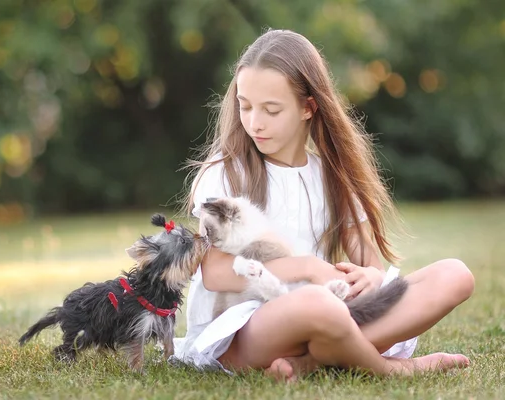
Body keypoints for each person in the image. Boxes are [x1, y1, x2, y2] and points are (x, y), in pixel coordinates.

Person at [171, 29, 475, 382]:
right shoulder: (225, 172)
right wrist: (308, 267)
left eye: (271, 110)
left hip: (328, 313)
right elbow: (216, 273)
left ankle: (310, 363)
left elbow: (372, 264)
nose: (254, 122)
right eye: (245, 105)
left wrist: (372, 276)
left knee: (454, 275)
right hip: (246, 332)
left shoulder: (331, 177)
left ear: (307, 107)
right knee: (319, 304)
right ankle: (392, 370)